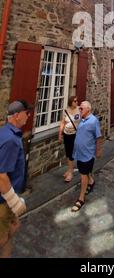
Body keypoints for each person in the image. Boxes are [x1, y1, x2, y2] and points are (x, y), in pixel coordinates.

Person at [0, 100, 31, 258]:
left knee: (14, 226)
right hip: (3, 201)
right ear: (17, 115)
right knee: (3, 237)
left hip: (7, 198)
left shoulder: (5, 131)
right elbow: (1, 176)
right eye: (27, 113)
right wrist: (14, 201)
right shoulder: (11, 140)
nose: (28, 117)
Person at [71, 101, 102, 212]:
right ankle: (91, 181)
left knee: (83, 175)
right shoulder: (81, 119)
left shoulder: (93, 121)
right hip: (79, 153)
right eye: (79, 108)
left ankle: (81, 198)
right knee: (84, 171)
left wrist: (98, 151)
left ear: (88, 109)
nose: (79, 109)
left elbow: (98, 137)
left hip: (88, 154)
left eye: (81, 108)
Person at [58, 95, 80, 182]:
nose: (76, 102)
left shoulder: (79, 109)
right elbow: (62, 123)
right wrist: (60, 135)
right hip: (66, 134)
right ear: (71, 102)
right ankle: (69, 169)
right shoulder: (66, 111)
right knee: (68, 153)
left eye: (77, 101)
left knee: (71, 154)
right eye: (75, 101)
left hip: (74, 134)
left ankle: (70, 173)